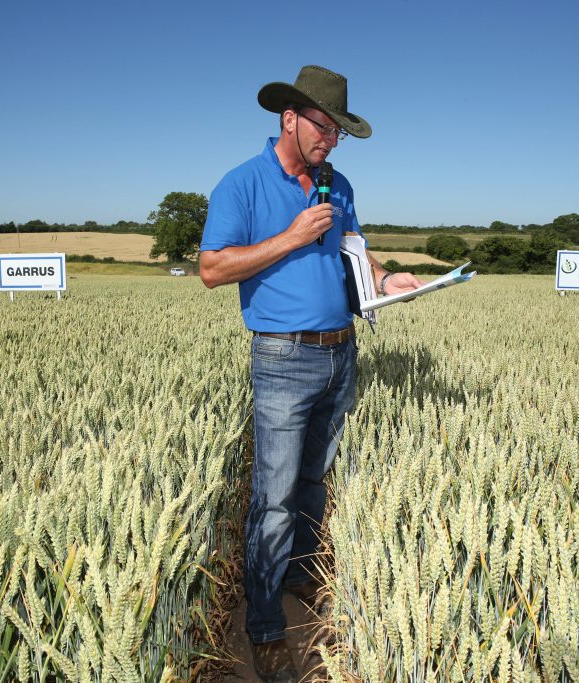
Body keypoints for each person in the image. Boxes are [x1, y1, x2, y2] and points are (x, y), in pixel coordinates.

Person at [199, 65, 423, 682]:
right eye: (323, 126)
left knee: (313, 483)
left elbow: (354, 248)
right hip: (282, 358)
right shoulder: (240, 185)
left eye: (338, 131)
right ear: (288, 118)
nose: (329, 139)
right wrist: (291, 237)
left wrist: (384, 281)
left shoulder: (337, 182)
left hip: (342, 351)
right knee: (272, 499)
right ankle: (266, 625)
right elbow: (214, 269)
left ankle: (299, 578)